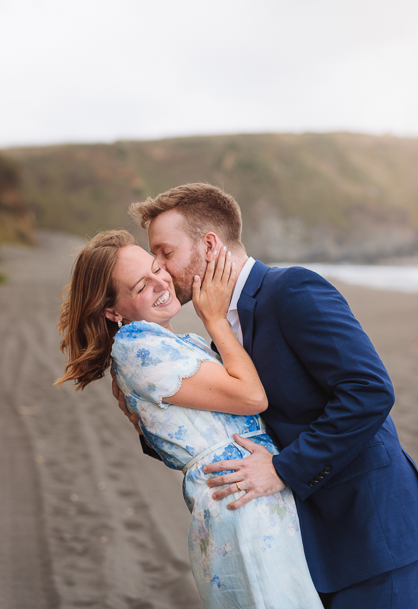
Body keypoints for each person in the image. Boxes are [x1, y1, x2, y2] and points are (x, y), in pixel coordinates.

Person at [115, 183, 418, 608]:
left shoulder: (291, 289)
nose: (161, 269)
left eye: (165, 253)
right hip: (310, 541)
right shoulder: (219, 329)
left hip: (372, 532)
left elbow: (368, 391)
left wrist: (283, 469)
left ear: (209, 245)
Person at [56, 230, 323, 609]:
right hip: (238, 503)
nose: (161, 284)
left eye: (156, 269)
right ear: (113, 312)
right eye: (141, 287)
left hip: (249, 493)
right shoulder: (138, 349)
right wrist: (215, 319)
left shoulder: (171, 343)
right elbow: (252, 397)